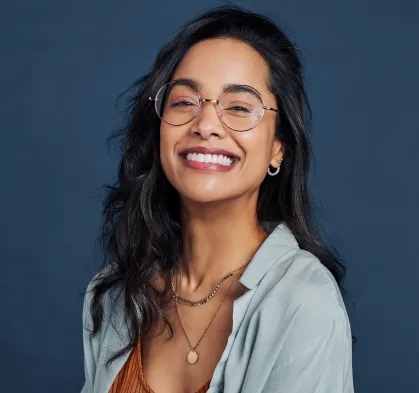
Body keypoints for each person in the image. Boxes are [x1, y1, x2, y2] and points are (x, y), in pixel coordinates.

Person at [80, 6, 354, 393]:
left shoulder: (302, 300)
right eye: (184, 102)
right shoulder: (113, 294)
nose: (206, 125)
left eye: (239, 107)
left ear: (279, 148)